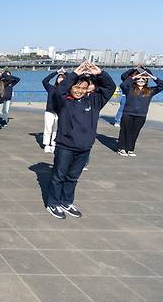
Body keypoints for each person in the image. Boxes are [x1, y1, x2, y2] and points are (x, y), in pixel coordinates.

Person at [45, 61, 115, 219]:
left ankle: (66, 201)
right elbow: (59, 91)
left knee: (73, 177)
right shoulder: (64, 102)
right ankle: (53, 203)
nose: (80, 91)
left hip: (84, 148)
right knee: (59, 176)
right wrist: (75, 73)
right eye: (77, 87)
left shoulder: (94, 101)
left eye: (83, 88)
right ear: (71, 87)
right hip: (65, 146)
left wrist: (100, 73)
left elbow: (110, 88)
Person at [117, 69, 163, 157]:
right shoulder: (129, 89)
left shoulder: (150, 90)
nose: (141, 81)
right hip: (128, 114)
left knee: (135, 132)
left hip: (141, 115)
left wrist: (153, 77)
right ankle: (121, 148)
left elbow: (161, 85)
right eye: (139, 79)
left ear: (146, 81)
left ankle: (130, 149)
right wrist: (134, 77)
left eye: (143, 80)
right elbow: (123, 85)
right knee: (125, 131)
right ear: (135, 80)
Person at [41, 69, 66, 153]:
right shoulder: (51, 88)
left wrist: (65, 73)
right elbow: (45, 81)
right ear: (56, 79)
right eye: (59, 77)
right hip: (50, 111)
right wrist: (56, 72)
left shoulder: (66, 90)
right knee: (48, 128)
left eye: (62, 78)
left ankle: (54, 144)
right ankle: (46, 145)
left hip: (60, 112)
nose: (61, 79)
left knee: (56, 129)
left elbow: (73, 80)